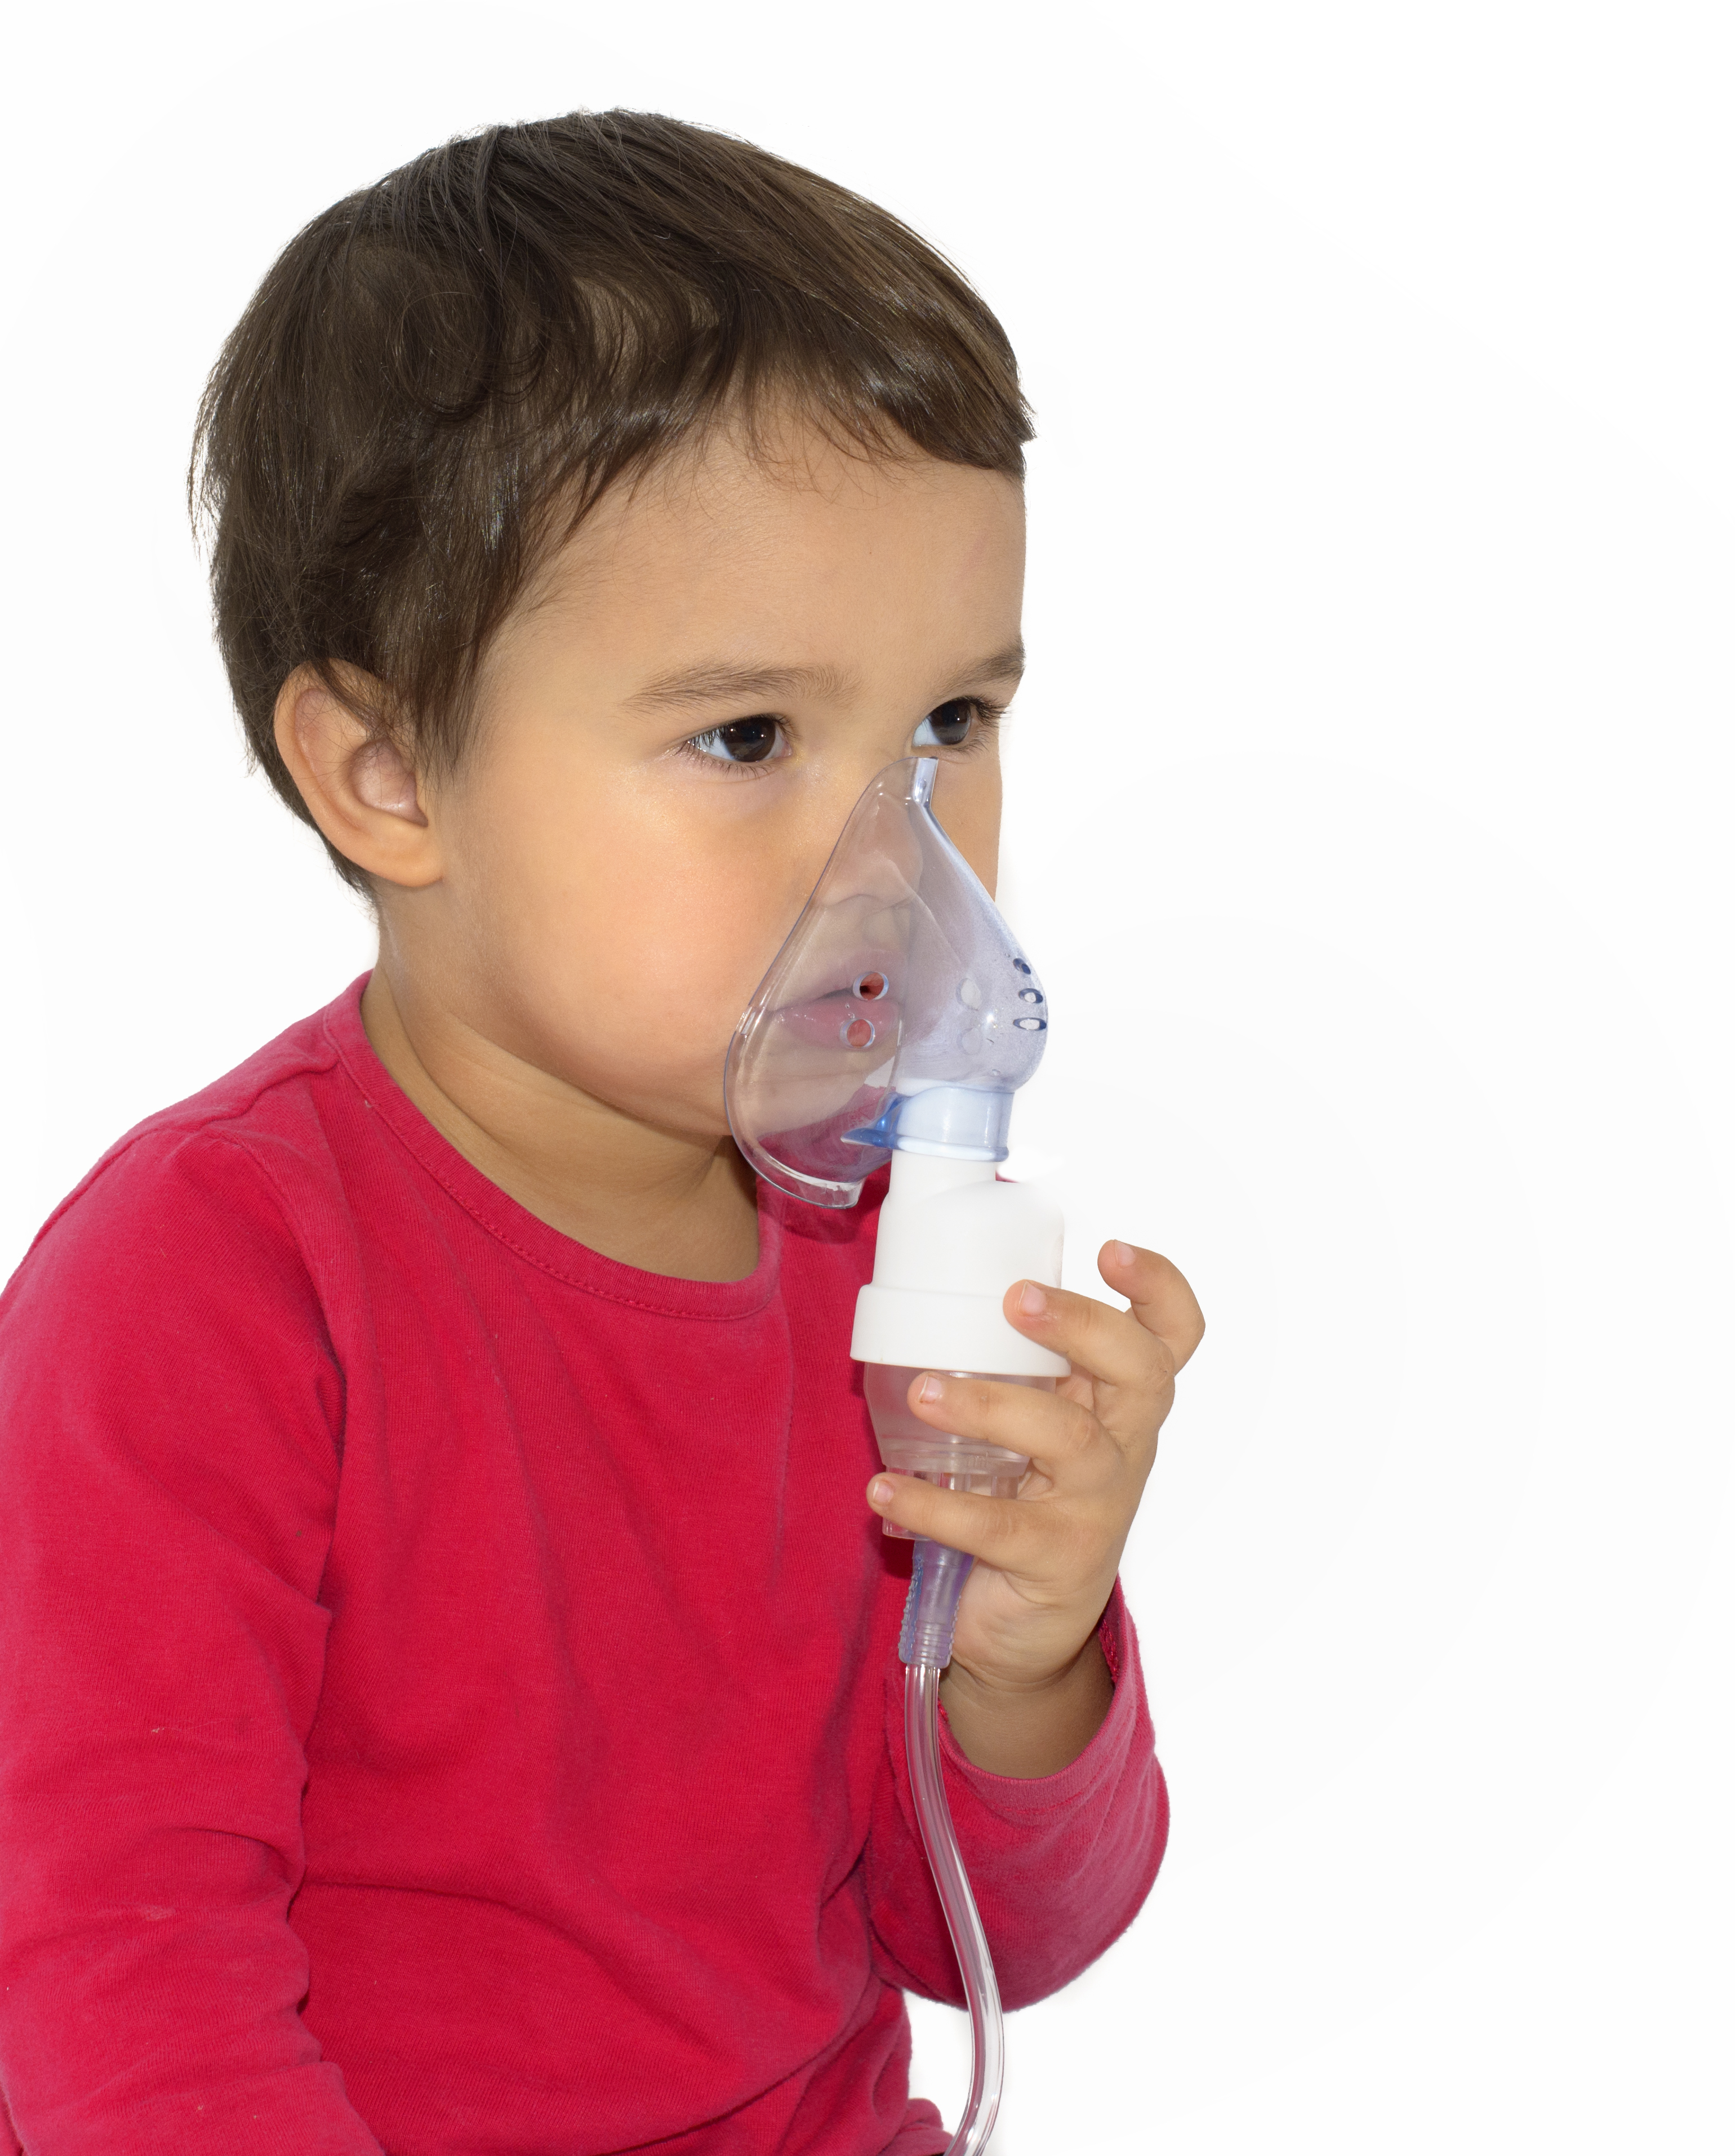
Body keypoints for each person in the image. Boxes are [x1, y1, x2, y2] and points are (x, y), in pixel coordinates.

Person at [0, 111, 1204, 2155]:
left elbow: (994, 1938)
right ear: (388, 771)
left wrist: (1021, 1646)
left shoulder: (880, 1258)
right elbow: (111, 1976)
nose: (892, 851)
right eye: (746, 738)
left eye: (952, 724)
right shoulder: (212, 1288)